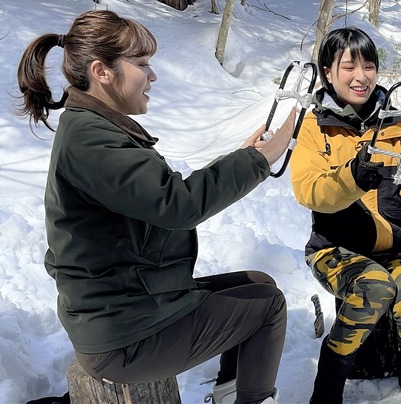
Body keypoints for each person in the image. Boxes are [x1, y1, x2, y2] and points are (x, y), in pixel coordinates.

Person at [16, 10, 295, 404]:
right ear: (102, 71)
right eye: (142, 64)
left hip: (128, 305)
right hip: (122, 337)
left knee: (258, 284)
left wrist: (243, 156)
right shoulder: (94, 141)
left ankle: (231, 392)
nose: (153, 75)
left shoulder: (94, 128)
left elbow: (157, 195)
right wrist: (259, 161)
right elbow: (176, 204)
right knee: (269, 307)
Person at [289, 27, 401, 404]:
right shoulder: (315, 127)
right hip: (337, 250)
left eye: (369, 66)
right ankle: (330, 380)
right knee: (373, 286)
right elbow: (308, 190)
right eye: (348, 67)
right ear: (328, 71)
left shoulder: (399, 123)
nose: (361, 77)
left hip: (396, 244)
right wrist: (351, 177)